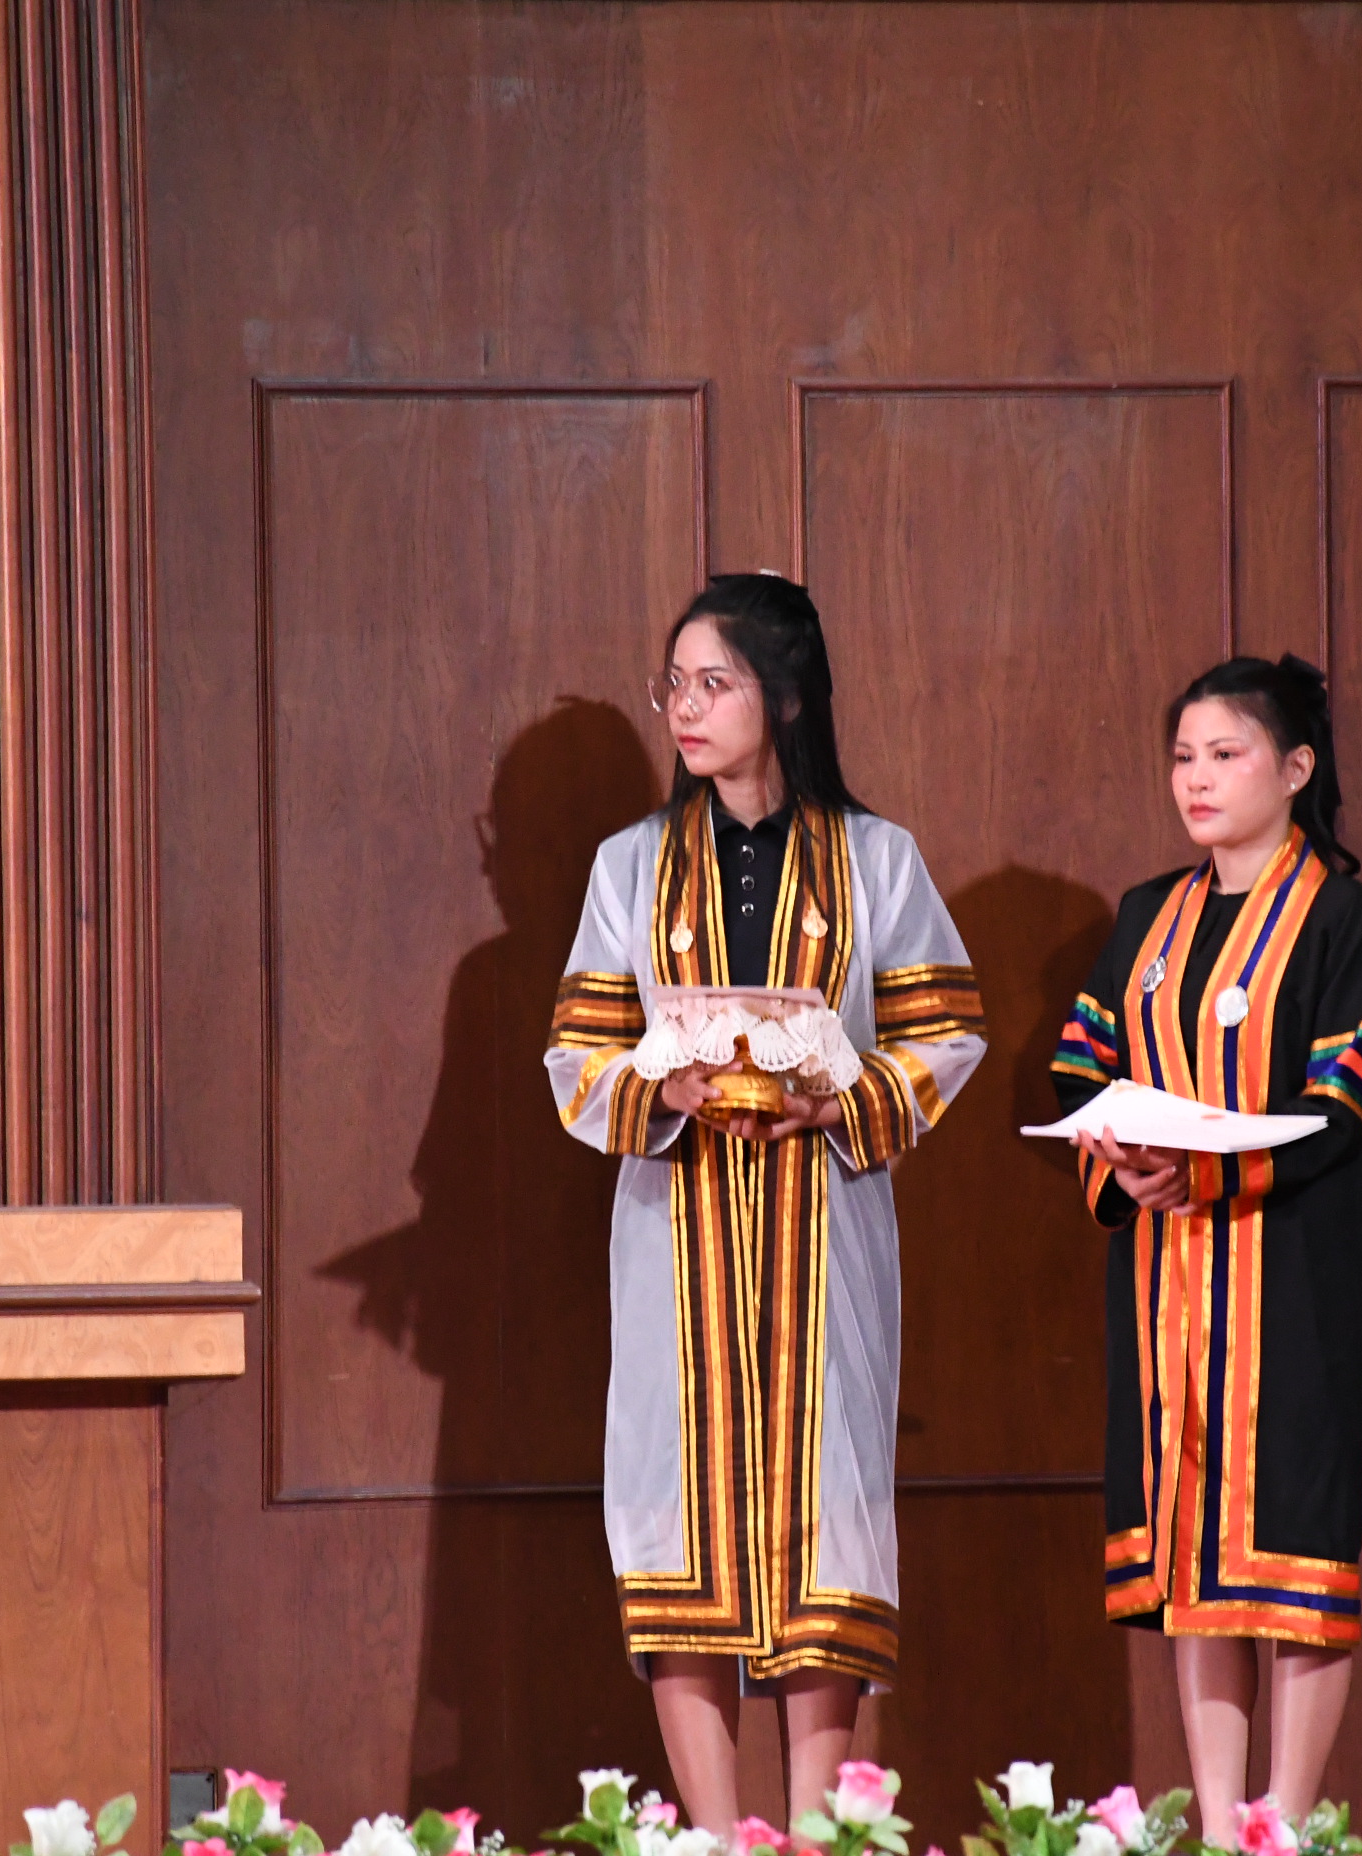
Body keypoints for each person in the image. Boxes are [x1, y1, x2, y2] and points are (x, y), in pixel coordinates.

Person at [543, 573, 986, 1836]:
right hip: (674, 1231)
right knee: (674, 1520)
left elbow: (946, 1030)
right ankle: (716, 1832)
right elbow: (576, 1053)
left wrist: (841, 1101)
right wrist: (664, 1085)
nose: (686, 707)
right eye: (674, 684)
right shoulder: (631, 865)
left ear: (785, 695)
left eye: (714, 682)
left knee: (824, 1529)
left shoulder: (875, 858)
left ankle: (817, 1828)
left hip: (823, 1230)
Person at [1050, 654, 1362, 1837]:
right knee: (1190, 1571)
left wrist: (1209, 1165)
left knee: (1291, 1566)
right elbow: (1081, 1065)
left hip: (1287, 1282)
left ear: (1296, 768)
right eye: (1182, 757)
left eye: (1225, 753)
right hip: (1163, 1281)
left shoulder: (1351, 925)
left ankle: (1284, 1824)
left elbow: (1344, 1106)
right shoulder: (1147, 918)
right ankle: (1219, 1824)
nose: (1196, 779)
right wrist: (1123, 1161)